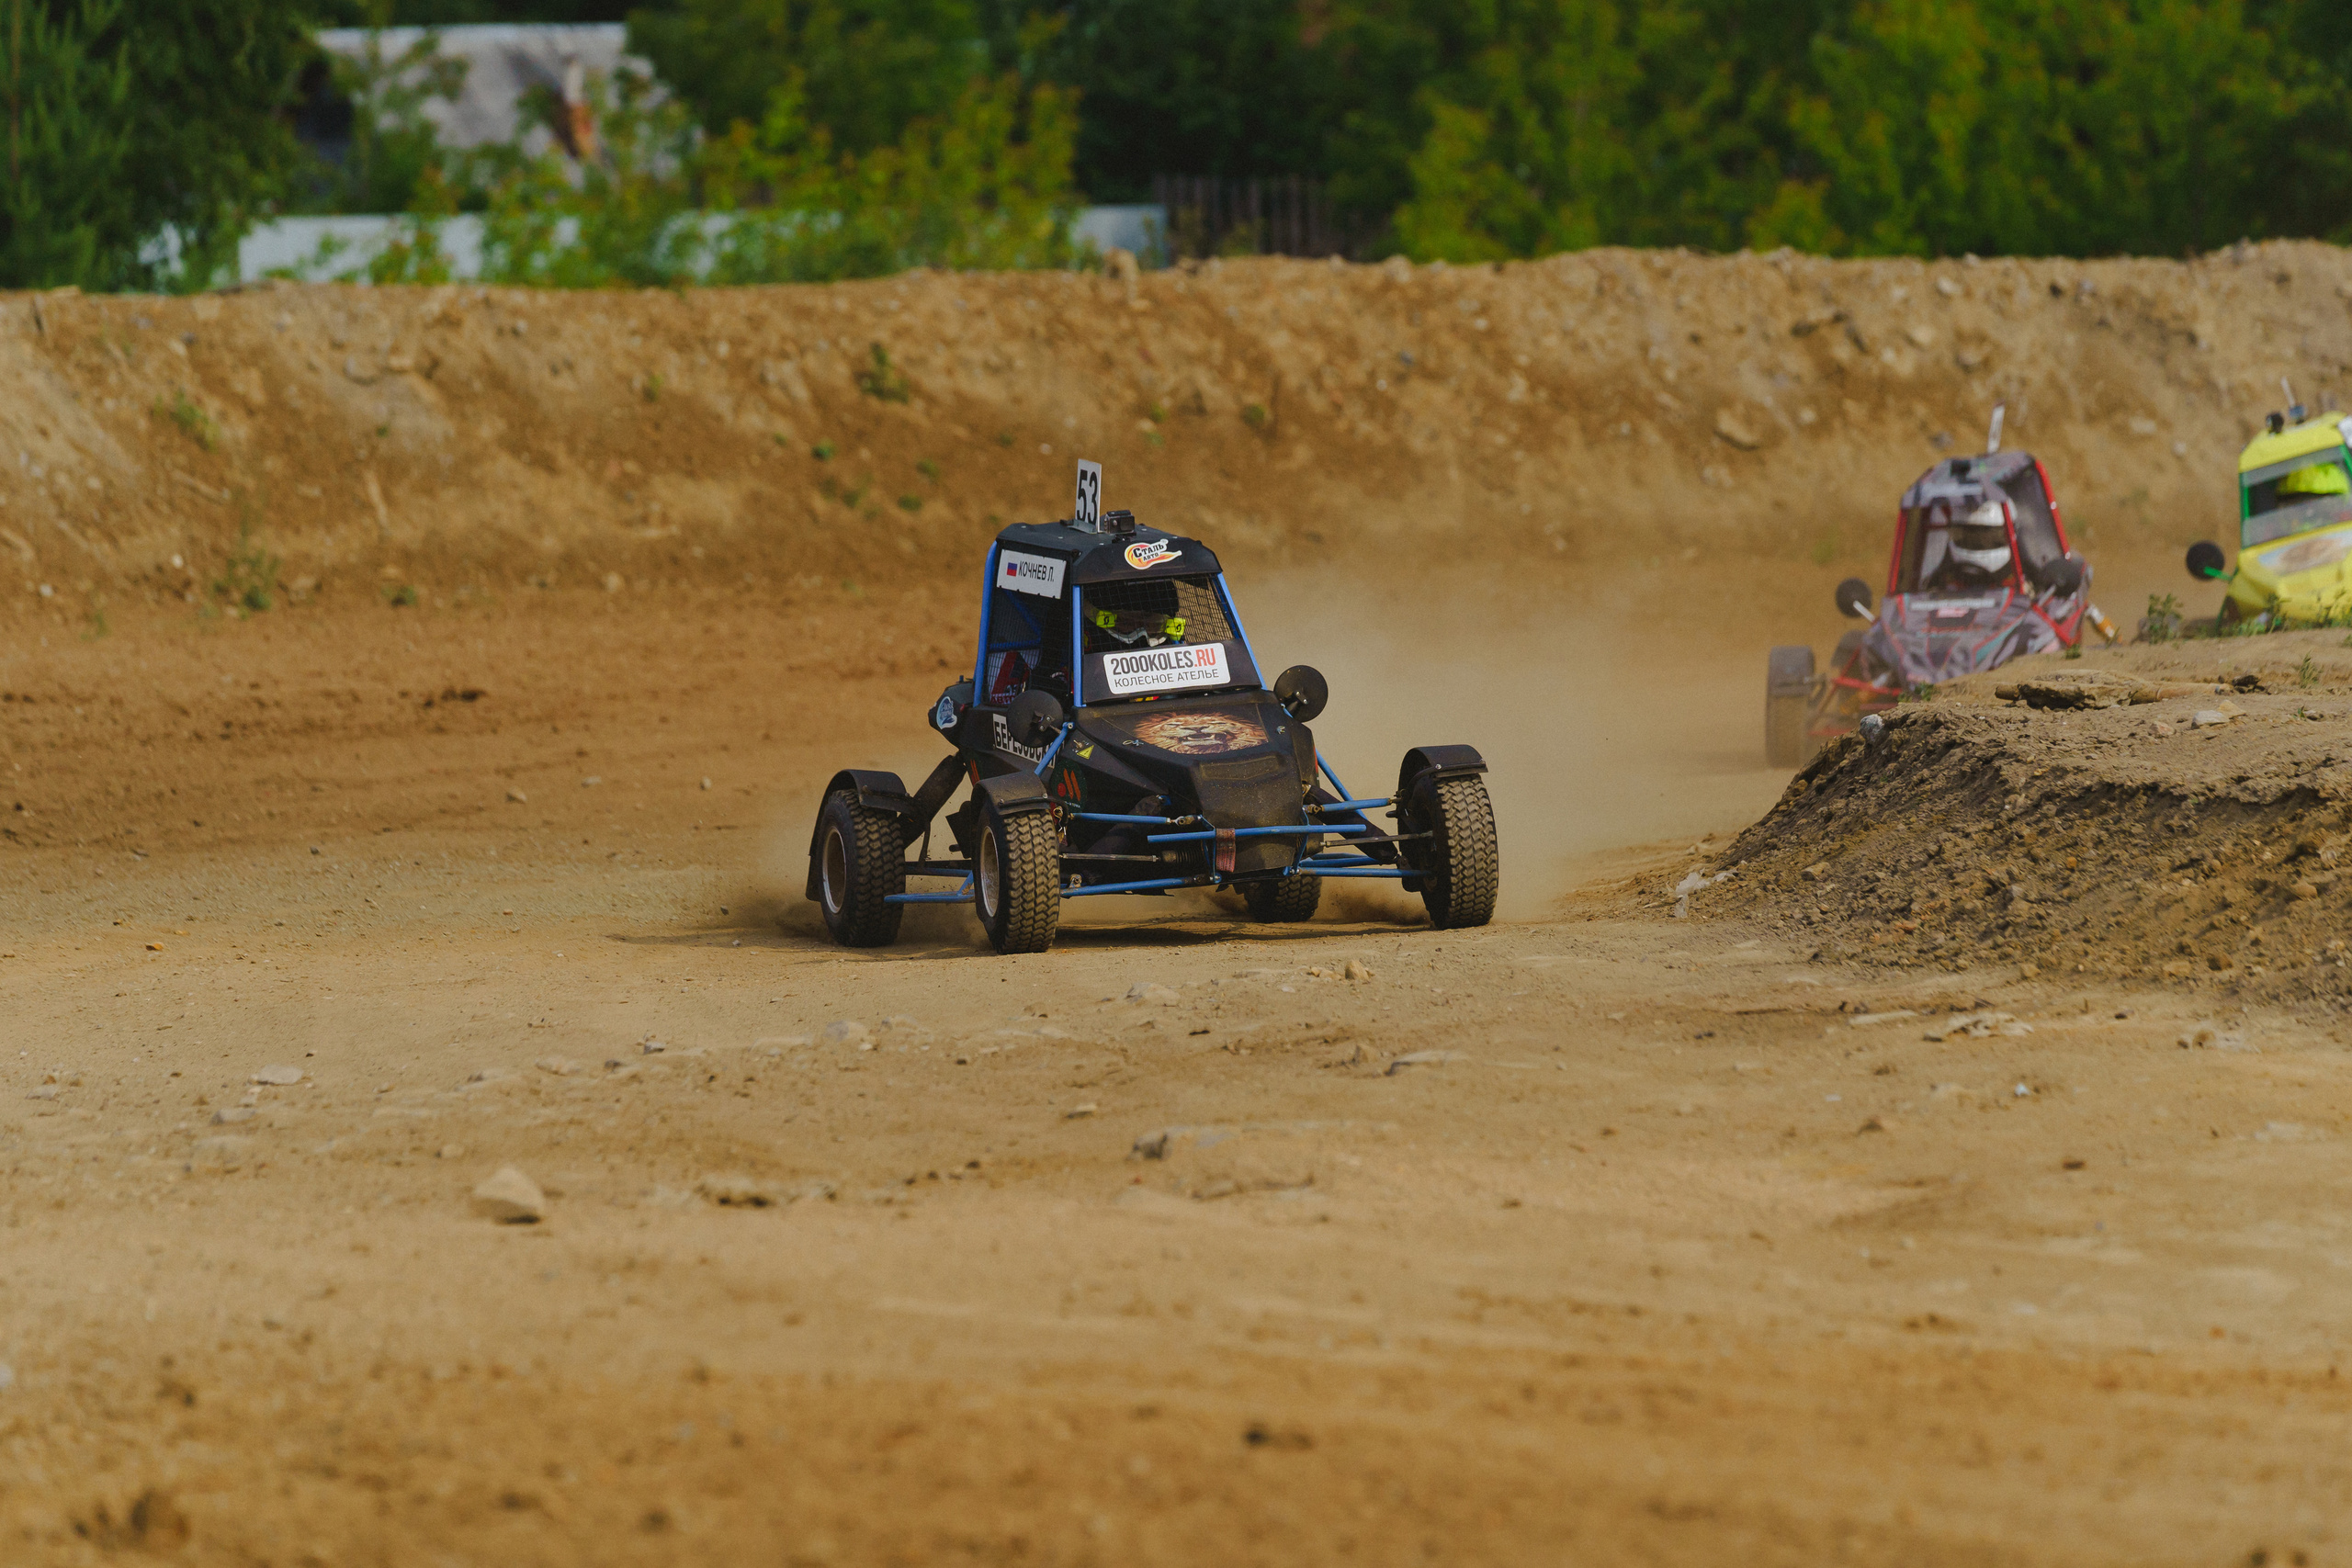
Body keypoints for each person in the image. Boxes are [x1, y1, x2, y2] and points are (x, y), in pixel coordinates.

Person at [1925, 500, 2015, 590]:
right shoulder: (1939, 579)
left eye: (1985, 538)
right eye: (1970, 536)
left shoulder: (2015, 582)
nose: (1978, 541)